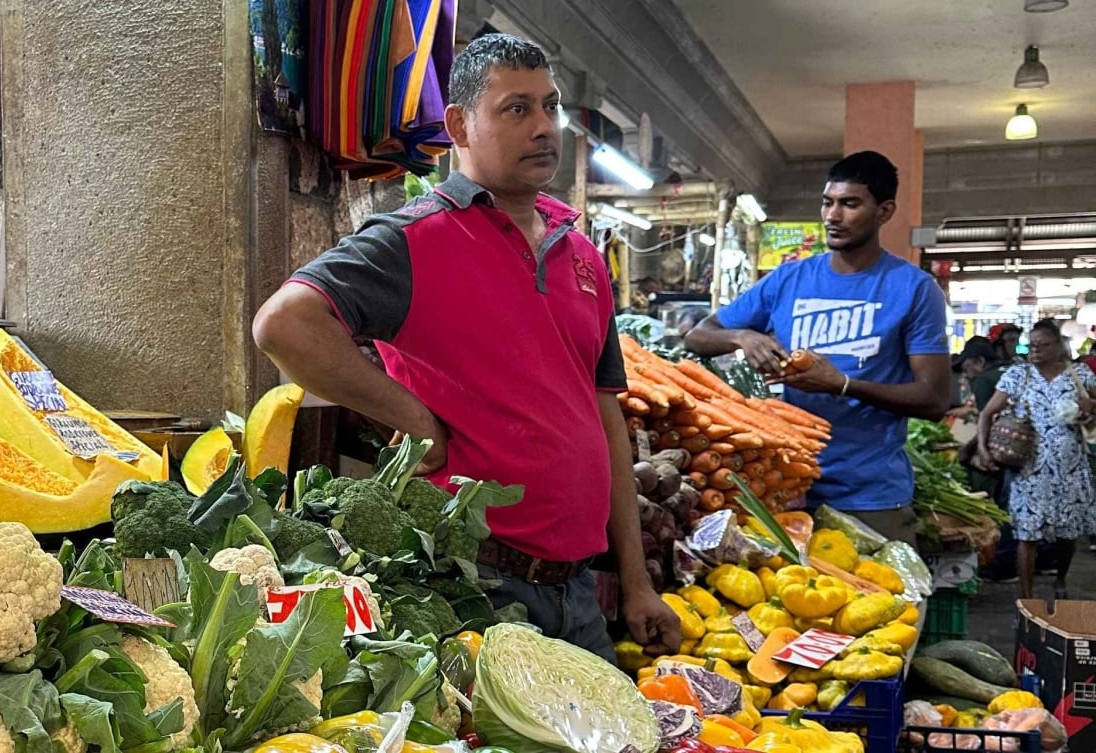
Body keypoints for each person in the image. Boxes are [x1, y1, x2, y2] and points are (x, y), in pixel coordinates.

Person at [252, 32, 680, 662]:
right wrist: (413, 419)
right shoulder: (413, 239)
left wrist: (637, 583)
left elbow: (604, 417)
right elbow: (284, 324)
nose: (543, 127)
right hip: (474, 589)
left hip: (580, 592)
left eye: (550, 106)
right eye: (517, 109)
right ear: (458, 124)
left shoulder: (582, 255)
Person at [684, 151, 951, 543]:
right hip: (784, 485)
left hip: (870, 497)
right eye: (828, 202)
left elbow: (934, 399)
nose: (833, 216)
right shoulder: (789, 278)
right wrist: (743, 336)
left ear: (884, 211)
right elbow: (698, 335)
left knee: (881, 600)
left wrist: (841, 384)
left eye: (850, 204)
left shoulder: (914, 289)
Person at [976, 318, 1096, 600]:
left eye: (1043, 345)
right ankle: (1027, 595)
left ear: (1059, 347)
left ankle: (1061, 577)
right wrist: (983, 448)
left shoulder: (1079, 374)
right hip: (1028, 468)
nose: (1036, 350)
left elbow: (1093, 410)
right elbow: (986, 413)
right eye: (1032, 345)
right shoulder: (1018, 375)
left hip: (1071, 466)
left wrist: (1089, 411)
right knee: (1026, 534)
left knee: (1069, 533)